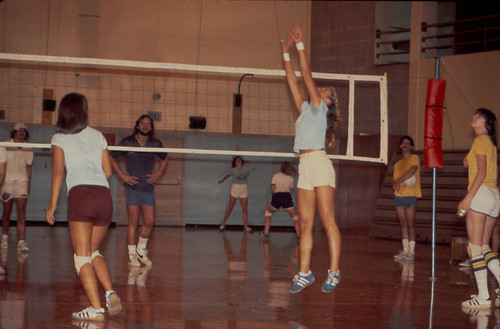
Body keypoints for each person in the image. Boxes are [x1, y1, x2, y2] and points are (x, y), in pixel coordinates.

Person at [46, 92, 122, 321]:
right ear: (84, 111)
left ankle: (97, 309)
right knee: (92, 250)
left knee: (81, 257)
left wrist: (52, 205)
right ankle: (110, 293)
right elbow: (108, 172)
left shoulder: (58, 138)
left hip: (81, 196)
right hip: (104, 196)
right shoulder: (98, 135)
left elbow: (59, 171)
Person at [281, 25, 342, 294]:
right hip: (304, 166)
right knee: (305, 224)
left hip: (320, 164)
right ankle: (304, 273)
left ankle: (334, 271)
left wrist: (300, 45)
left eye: (326, 90)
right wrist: (285, 56)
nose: (321, 88)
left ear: (328, 102)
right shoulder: (305, 107)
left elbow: (305, 74)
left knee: (327, 220)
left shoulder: (319, 107)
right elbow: (293, 81)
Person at [110, 114, 168, 267]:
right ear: (137, 125)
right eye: (143, 123)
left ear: (151, 127)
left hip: (148, 187)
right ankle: (131, 255)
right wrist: (122, 175)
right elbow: (111, 156)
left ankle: (140, 250)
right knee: (133, 222)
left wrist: (159, 172)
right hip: (133, 187)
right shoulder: (127, 141)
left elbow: (165, 157)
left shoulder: (155, 143)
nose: (145, 126)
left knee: (149, 221)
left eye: (148, 124)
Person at [458, 108, 500, 309]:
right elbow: (478, 164)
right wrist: (468, 160)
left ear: (487, 123)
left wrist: (468, 198)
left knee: (474, 248)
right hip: (494, 195)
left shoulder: (480, 140)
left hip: (481, 193)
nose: (473, 117)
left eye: (479, 116)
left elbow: (481, 172)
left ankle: (483, 297)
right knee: (484, 247)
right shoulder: (489, 144)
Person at [0, 123, 33, 253]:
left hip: (22, 183)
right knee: (6, 212)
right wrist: (1, 184)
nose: (22, 132)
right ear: (13, 132)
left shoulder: (29, 148)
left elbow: (29, 168)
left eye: (24, 130)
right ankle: (4, 238)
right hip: (7, 182)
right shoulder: (4, 146)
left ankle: (21, 241)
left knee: (21, 212)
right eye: (19, 130)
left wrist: (28, 184)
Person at [392, 135, 421, 261]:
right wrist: (395, 184)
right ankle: (405, 251)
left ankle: (411, 251)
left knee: (410, 223)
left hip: (411, 194)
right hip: (399, 195)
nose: (405, 145)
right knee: (402, 223)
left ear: (411, 146)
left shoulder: (414, 158)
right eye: (403, 143)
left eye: (408, 143)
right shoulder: (397, 164)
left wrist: (399, 181)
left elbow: (412, 171)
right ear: (400, 146)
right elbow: (394, 180)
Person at [259, 161, 300, 238]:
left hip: (277, 196)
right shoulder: (291, 177)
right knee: (295, 217)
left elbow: (273, 189)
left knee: (268, 213)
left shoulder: (276, 175)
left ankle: (266, 233)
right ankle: (298, 234)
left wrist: (275, 197)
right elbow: (291, 190)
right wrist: (286, 197)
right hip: (287, 196)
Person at [218, 156, 252, 232]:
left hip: (243, 188)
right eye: (237, 160)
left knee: (245, 208)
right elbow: (227, 175)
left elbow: (245, 176)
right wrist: (222, 180)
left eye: (240, 160)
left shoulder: (247, 170)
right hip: (235, 187)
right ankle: (223, 224)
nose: (238, 161)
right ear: (235, 162)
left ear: (242, 161)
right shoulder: (232, 170)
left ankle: (246, 226)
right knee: (230, 207)